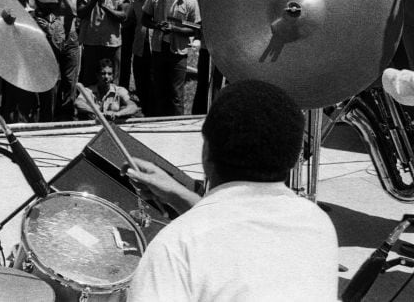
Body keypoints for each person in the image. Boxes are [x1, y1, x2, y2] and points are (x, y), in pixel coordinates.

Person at [126, 80, 338, 301]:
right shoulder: (317, 225)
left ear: (206, 151)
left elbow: (219, 237)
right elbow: (240, 239)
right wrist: (179, 195)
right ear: (294, 159)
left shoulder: (175, 246)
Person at [74, 60, 139, 121]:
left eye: (109, 74)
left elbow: (133, 106)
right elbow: (78, 103)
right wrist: (98, 113)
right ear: (97, 75)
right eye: (103, 73)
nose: (106, 77)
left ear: (113, 76)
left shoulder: (119, 91)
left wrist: (118, 114)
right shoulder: (88, 91)